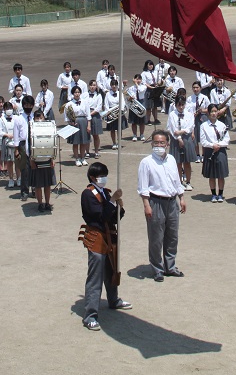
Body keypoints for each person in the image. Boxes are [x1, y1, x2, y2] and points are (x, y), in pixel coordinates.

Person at [79, 162, 132, 330]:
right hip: (97, 237)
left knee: (112, 271)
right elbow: (99, 216)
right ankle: (90, 315)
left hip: (111, 237)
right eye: (101, 175)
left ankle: (113, 300)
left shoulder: (106, 193)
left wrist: (120, 208)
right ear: (93, 177)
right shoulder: (88, 194)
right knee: (95, 277)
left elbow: (114, 217)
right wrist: (112, 202)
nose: (104, 178)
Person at [137, 129, 186, 282]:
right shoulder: (146, 162)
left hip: (172, 202)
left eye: (162, 143)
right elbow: (143, 186)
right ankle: (157, 268)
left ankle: (170, 267)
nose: (159, 145)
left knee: (172, 236)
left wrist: (182, 198)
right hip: (155, 201)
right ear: (152, 143)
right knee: (156, 237)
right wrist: (146, 205)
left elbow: (176, 180)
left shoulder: (171, 159)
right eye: (156, 143)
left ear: (167, 144)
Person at [199, 104, 230, 202]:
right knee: (212, 175)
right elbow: (203, 141)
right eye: (211, 111)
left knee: (221, 174)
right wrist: (212, 146)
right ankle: (213, 194)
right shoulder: (203, 126)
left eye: (215, 111)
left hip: (220, 151)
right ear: (208, 113)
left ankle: (220, 194)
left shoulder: (222, 125)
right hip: (209, 151)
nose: (213, 113)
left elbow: (227, 139)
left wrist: (219, 145)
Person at [167, 96, 196, 191]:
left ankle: (188, 182)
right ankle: (179, 183)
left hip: (187, 138)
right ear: (175, 105)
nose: (181, 107)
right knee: (178, 163)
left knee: (187, 162)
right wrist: (179, 138)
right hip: (176, 140)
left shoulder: (189, 114)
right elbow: (172, 128)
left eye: (182, 104)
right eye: (179, 105)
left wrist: (182, 131)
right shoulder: (172, 114)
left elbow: (191, 126)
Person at [30, 109, 57, 212]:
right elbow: (29, 146)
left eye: (41, 117)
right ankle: (40, 203)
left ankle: (47, 203)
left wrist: (52, 159)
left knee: (47, 184)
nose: (39, 120)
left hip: (47, 159)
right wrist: (31, 160)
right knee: (38, 184)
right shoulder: (31, 129)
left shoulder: (49, 129)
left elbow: (52, 144)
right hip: (36, 159)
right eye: (37, 118)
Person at [13, 95, 35, 202]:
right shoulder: (18, 119)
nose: (28, 107)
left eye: (30, 105)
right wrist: (16, 149)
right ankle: (25, 192)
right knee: (25, 170)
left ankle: (35, 189)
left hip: (35, 144)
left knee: (35, 168)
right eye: (26, 105)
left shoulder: (35, 117)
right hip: (22, 144)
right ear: (23, 105)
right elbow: (16, 135)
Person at [64, 86, 91, 166]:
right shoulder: (69, 104)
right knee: (75, 143)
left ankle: (83, 158)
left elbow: (88, 115)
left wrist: (88, 125)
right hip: (74, 123)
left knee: (83, 142)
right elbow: (66, 116)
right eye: (75, 92)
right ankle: (77, 159)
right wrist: (70, 123)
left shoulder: (85, 102)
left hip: (83, 122)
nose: (77, 94)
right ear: (73, 93)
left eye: (78, 92)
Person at [0, 101, 21, 188]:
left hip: (16, 142)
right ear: (4, 110)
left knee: (18, 161)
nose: (9, 110)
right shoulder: (1, 119)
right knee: (9, 162)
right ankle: (11, 179)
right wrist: (7, 135)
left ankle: (19, 178)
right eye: (7, 108)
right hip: (7, 142)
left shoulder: (16, 117)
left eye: (10, 108)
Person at [186, 81, 209, 162]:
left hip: (203, 117)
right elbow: (187, 110)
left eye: (197, 87)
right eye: (194, 88)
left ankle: (203, 154)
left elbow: (209, 109)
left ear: (200, 88)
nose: (195, 89)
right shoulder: (189, 98)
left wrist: (202, 110)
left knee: (203, 136)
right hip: (193, 118)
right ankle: (197, 155)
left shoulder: (204, 97)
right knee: (194, 137)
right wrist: (192, 114)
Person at [103, 79, 126, 149]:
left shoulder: (120, 93)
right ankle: (114, 143)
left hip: (119, 113)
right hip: (111, 112)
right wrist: (108, 112)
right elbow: (106, 104)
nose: (114, 86)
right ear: (110, 86)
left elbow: (123, 103)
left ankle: (119, 142)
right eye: (112, 85)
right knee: (112, 129)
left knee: (119, 129)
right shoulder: (107, 94)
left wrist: (120, 111)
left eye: (115, 85)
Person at [126, 74, 147, 142]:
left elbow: (140, 90)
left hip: (141, 103)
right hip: (133, 104)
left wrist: (136, 83)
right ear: (134, 79)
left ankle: (141, 135)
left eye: (139, 79)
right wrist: (130, 98)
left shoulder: (144, 86)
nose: (138, 81)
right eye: (136, 79)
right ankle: (134, 135)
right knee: (134, 121)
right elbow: (127, 97)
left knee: (142, 121)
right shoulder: (131, 88)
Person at [87, 79, 103, 158]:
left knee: (95, 135)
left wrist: (90, 114)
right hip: (86, 115)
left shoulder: (99, 95)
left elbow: (99, 107)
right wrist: (87, 114)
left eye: (94, 85)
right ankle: (87, 152)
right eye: (91, 85)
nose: (92, 87)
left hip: (95, 115)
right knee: (87, 135)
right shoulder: (85, 95)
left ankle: (96, 151)